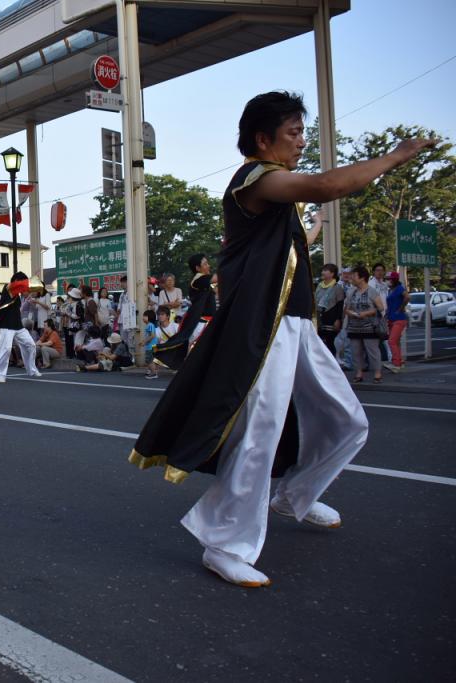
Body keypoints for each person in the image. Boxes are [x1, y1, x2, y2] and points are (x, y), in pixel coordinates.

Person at [129, 90, 435, 588]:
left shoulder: (278, 198)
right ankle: (224, 542)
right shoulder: (255, 178)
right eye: (293, 133)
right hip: (262, 327)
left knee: (347, 419)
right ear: (262, 139)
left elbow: (292, 242)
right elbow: (329, 185)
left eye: (301, 132)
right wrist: (397, 155)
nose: (301, 142)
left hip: (295, 325)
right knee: (261, 431)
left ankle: (294, 496)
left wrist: (310, 230)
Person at [155, 254, 218, 369]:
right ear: (197, 268)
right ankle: (188, 371)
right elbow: (218, 278)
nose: (208, 266)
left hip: (207, 320)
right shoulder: (199, 279)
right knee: (195, 348)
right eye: (205, 264)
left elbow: (216, 288)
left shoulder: (204, 281)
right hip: (201, 322)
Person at [0, 272, 42, 383]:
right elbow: (16, 286)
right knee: (5, 350)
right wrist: (29, 281)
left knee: (31, 345)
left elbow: (24, 293)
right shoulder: (8, 288)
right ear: (17, 282)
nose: (25, 288)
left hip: (18, 326)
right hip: (6, 326)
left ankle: (32, 370)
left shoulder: (18, 295)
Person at [345, 265, 386, 384]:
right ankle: (359, 373)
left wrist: (366, 313)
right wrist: (349, 313)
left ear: (362, 277)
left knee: (372, 351)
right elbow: (346, 308)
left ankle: (377, 373)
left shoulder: (372, 291)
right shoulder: (351, 291)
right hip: (354, 326)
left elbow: (380, 308)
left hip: (370, 327)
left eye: (354, 276)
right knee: (356, 351)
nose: (351, 278)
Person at [315, 262, 345, 353]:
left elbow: (340, 305)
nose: (323, 272)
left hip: (331, 319)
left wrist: (338, 319)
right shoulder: (319, 286)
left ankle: (333, 363)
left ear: (332, 274)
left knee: (330, 342)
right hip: (320, 318)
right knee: (320, 343)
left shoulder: (337, 287)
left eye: (325, 270)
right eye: (323, 270)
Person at [384, 271, 409, 372]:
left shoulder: (399, 288)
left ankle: (396, 364)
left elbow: (407, 297)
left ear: (393, 280)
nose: (387, 281)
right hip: (391, 318)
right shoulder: (391, 290)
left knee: (392, 341)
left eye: (388, 279)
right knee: (396, 342)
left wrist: (401, 308)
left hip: (399, 318)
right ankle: (400, 361)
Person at [116, 276, 137, 363]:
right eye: (121, 282)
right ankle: (126, 358)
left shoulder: (133, 293)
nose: (122, 284)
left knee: (131, 339)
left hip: (130, 319)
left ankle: (133, 358)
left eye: (124, 282)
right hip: (122, 320)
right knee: (124, 340)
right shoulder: (122, 294)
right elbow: (118, 309)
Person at [141, 309, 160, 379]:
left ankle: (154, 373)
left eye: (145, 316)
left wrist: (144, 342)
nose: (143, 317)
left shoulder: (149, 325)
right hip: (154, 345)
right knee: (153, 359)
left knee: (149, 360)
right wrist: (143, 341)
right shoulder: (151, 325)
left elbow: (152, 335)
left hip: (150, 346)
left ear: (150, 317)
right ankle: (154, 371)